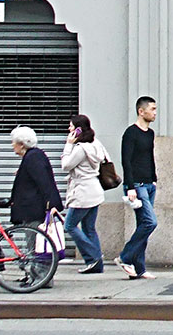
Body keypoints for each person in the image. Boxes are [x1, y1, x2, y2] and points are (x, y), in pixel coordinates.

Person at [8, 126, 64, 288]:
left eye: (14, 142)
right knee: (35, 244)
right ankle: (36, 277)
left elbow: (44, 182)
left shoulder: (33, 158)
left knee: (36, 245)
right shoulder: (34, 156)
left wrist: (52, 204)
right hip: (32, 208)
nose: (12, 146)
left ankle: (41, 279)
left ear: (21, 144)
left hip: (34, 209)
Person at [118, 95, 159, 279]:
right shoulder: (130, 133)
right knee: (151, 222)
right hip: (137, 185)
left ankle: (139, 268)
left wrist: (154, 179)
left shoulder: (150, 134)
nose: (155, 113)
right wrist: (130, 187)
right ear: (141, 111)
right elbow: (126, 161)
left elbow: (149, 157)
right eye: (152, 109)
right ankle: (125, 257)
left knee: (143, 224)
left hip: (149, 184)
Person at [61, 115, 108, 274]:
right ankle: (96, 264)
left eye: (71, 127)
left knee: (70, 225)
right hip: (94, 190)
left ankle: (94, 257)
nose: (69, 129)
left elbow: (66, 165)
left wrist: (68, 145)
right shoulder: (96, 143)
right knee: (89, 228)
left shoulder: (81, 148)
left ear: (78, 130)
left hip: (83, 192)